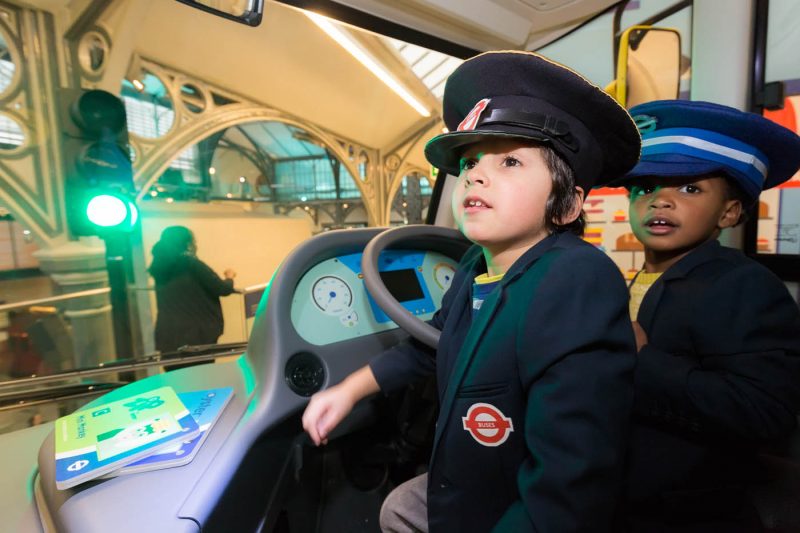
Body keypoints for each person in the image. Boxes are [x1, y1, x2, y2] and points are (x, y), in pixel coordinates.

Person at [302, 51, 642, 532]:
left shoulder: (575, 279)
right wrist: (348, 390)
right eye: (469, 163)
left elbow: (572, 485)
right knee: (397, 508)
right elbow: (431, 345)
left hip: (521, 501)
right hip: (470, 479)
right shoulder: (472, 267)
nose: (476, 175)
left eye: (510, 161)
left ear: (567, 205)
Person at [613, 100, 800, 532]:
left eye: (689, 189)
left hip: (689, 511)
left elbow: (766, 411)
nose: (660, 200)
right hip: (617, 493)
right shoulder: (633, 278)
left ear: (729, 213)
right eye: (644, 188)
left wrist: (643, 360)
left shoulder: (744, 286)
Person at [148, 226, 237, 357]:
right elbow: (222, 289)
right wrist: (230, 277)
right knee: (200, 373)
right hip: (197, 335)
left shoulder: (159, 267)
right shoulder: (190, 263)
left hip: (168, 334)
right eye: (194, 241)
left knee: (175, 376)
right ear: (187, 243)